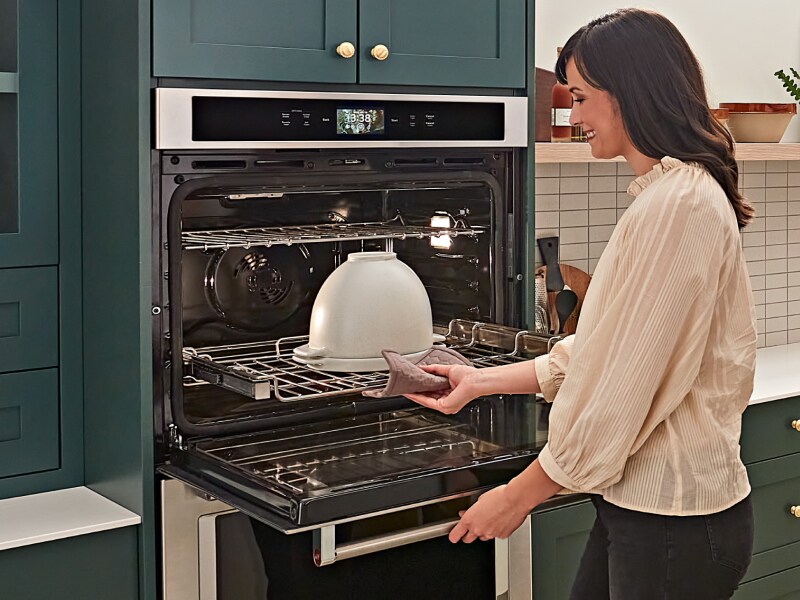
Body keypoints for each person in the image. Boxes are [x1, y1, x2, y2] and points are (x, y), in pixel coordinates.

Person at [404, 8, 757, 599]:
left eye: (582, 98)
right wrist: (479, 381)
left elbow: (620, 387)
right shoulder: (667, 198)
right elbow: (600, 351)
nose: (574, 117)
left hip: (676, 521)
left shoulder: (680, 206)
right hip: (644, 512)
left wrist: (517, 496)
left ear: (633, 93)